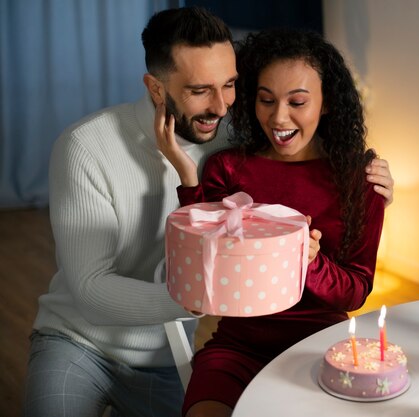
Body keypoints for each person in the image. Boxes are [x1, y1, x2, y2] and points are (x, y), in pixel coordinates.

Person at [24, 7, 394, 417]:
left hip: (175, 354)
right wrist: (207, 291)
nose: (221, 107)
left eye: (231, 85)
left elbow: (353, 281)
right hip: (80, 340)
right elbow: (94, 287)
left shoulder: (237, 135)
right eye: (201, 90)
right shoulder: (87, 147)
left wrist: (371, 188)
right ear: (157, 89)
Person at [156, 28, 386, 417]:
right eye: (266, 100)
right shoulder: (228, 168)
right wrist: (187, 174)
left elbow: (356, 292)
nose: (278, 117)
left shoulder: (359, 180)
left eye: (297, 101)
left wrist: (309, 261)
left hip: (321, 347)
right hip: (237, 347)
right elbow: (203, 268)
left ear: (326, 102)